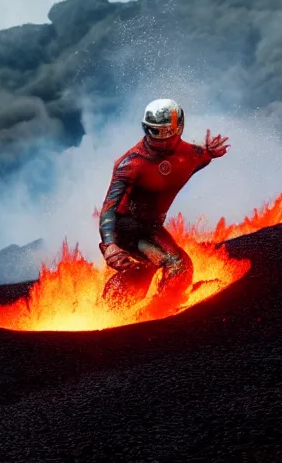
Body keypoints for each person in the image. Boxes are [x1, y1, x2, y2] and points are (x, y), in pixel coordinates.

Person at [98, 98, 230, 307]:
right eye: (152, 130)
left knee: (160, 269)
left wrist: (211, 153)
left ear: (178, 128)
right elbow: (108, 207)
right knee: (177, 264)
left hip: (152, 229)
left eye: (164, 131)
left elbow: (199, 158)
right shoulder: (131, 163)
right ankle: (156, 314)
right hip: (127, 228)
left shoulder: (190, 155)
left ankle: (133, 307)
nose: (157, 138)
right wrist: (110, 244)